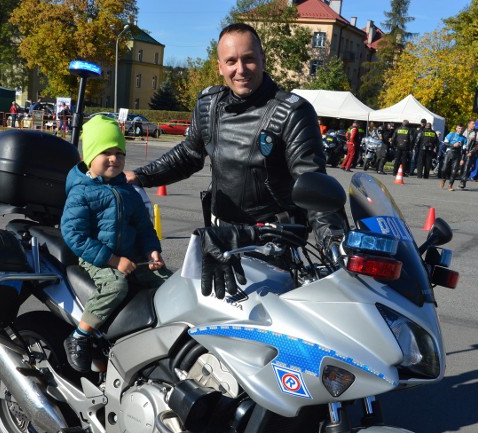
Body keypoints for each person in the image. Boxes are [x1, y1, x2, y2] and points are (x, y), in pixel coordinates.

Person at [125, 23, 347, 298]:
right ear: (220, 66)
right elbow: (189, 154)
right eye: (231, 61)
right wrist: (140, 175)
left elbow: (313, 183)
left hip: (272, 245)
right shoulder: (209, 105)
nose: (240, 69)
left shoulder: (293, 112)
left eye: (249, 59)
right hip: (218, 240)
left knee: (266, 328)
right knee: (205, 320)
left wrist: (337, 244)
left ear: (263, 60)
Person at [61, 115, 170, 371]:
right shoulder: (81, 191)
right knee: (116, 286)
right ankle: (80, 335)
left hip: (131, 257)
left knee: (169, 281)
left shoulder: (126, 191)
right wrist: (112, 260)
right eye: (106, 152)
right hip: (97, 259)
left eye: (119, 152)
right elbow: (74, 234)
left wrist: (152, 251)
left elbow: (144, 226)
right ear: (89, 157)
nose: (115, 158)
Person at [440, 124, 466, 190]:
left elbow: (464, 150)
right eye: (459, 128)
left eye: (462, 129)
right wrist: (453, 145)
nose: (460, 130)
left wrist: (462, 159)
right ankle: (443, 178)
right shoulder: (451, 134)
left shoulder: (464, 138)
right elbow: (445, 143)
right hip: (449, 152)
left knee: (454, 171)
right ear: (456, 128)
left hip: (457, 155)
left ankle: (450, 185)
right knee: (444, 169)